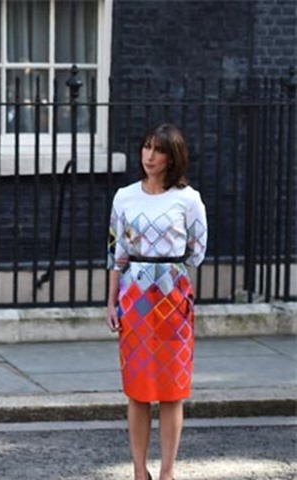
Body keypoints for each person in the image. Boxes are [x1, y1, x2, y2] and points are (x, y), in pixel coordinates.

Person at [106, 123, 207, 480]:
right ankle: (138, 470)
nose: (149, 156)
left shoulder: (188, 200)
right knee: (137, 390)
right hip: (133, 300)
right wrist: (111, 301)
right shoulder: (124, 196)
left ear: (172, 157)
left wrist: (168, 274)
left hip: (173, 300)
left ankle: (167, 472)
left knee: (171, 390)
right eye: (146, 147)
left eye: (158, 150)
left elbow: (196, 252)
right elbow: (116, 252)